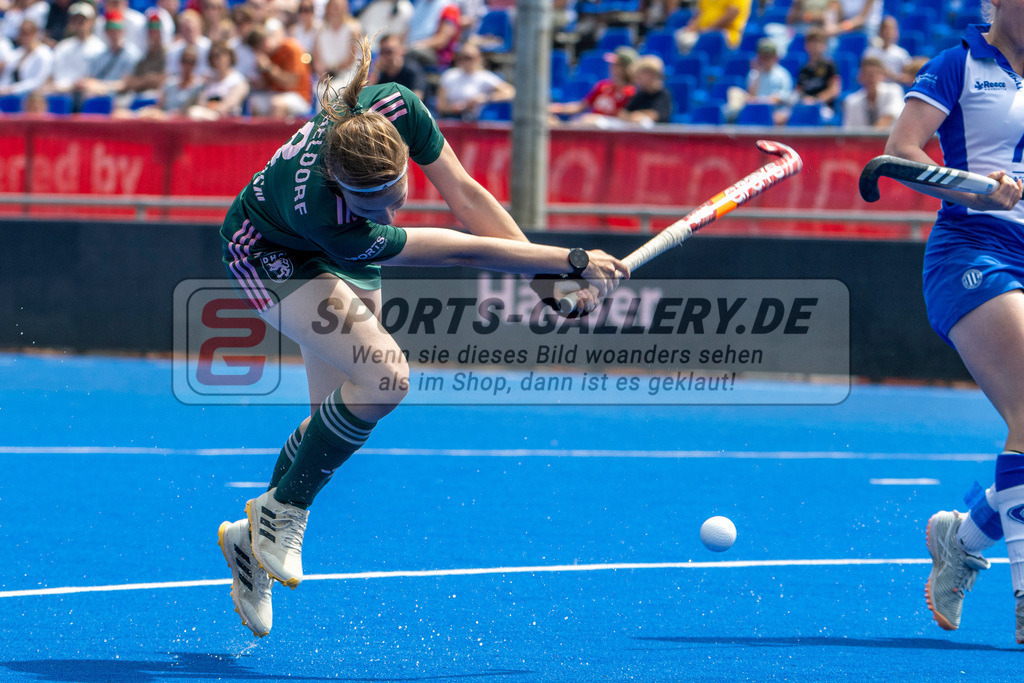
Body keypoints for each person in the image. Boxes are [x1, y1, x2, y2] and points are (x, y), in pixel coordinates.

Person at [215, 35, 627, 638]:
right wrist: (568, 260)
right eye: (372, 204)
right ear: (339, 185)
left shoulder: (396, 109)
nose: (389, 212)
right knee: (386, 376)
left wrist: (544, 280)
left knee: (330, 419)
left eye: (396, 197)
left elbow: (465, 195)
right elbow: (457, 250)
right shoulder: (332, 217)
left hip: (334, 243)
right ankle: (283, 510)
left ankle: (252, 540)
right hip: (272, 254)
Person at [883, 1, 1024, 645]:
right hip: (975, 251)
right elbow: (901, 154)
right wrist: (974, 186)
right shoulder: (958, 65)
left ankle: (961, 540)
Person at [549, 45, 636, 126]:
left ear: (626, 67)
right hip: (594, 127)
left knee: (590, 121)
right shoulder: (603, 86)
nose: (612, 67)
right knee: (552, 121)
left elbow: (626, 117)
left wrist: (599, 119)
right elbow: (580, 106)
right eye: (613, 64)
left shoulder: (631, 91)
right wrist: (557, 108)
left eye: (617, 65)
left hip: (613, 129)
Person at [435, 39, 514, 120]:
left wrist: (485, 98)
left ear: (478, 58)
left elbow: (511, 92)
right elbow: (441, 105)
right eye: (462, 57)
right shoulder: (449, 75)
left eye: (469, 58)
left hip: (477, 121)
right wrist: (459, 108)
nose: (465, 61)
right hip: (452, 119)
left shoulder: (485, 76)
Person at [777, 26, 840, 125]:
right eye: (811, 43)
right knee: (779, 117)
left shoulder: (829, 65)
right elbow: (799, 90)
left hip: (823, 107)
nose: (814, 46)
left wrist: (816, 100)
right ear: (806, 46)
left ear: (824, 46)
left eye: (818, 43)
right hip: (803, 105)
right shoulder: (804, 69)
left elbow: (834, 90)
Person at [246, 24, 313, 117]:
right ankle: (261, 132)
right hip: (276, 94)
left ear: (265, 42)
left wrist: (269, 67)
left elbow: (291, 83)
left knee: (277, 104)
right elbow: (266, 85)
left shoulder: (291, 47)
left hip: (299, 96)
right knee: (254, 103)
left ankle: (275, 132)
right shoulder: (266, 56)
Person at [724, 37, 793, 123]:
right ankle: (731, 121)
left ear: (775, 57)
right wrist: (758, 74)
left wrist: (761, 101)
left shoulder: (782, 74)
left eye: (769, 56)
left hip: (774, 109)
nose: (766, 60)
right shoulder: (754, 73)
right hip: (755, 107)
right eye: (763, 57)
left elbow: (781, 98)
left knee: (780, 116)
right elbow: (751, 95)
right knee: (733, 91)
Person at [46, 2, 106, 96]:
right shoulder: (63, 46)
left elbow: (97, 78)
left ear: (91, 21)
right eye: (75, 20)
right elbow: (52, 75)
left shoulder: (100, 48)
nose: (79, 24)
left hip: (84, 94)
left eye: (82, 20)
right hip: (59, 92)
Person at [185, 40, 248, 119]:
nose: (217, 60)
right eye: (214, 56)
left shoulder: (238, 81)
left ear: (229, 56)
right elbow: (200, 103)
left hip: (228, 120)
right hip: (207, 118)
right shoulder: (209, 81)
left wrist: (211, 106)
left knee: (194, 112)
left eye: (220, 55)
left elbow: (227, 106)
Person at [841, 55, 903, 128]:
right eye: (867, 74)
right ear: (860, 76)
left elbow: (888, 118)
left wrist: (870, 137)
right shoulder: (851, 101)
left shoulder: (894, 91)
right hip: (861, 139)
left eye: (875, 73)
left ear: (882, 75)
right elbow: (848, 130)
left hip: (889, 138)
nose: (871, 77)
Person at [0, 19, 54, 98]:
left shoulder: (44, 54)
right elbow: (7, 76)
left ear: (36, 33)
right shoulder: (17, 53)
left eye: (27, 33)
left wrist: (12, 89)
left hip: (34, 98)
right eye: (21, 33)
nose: (23, 37)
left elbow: (38, 81)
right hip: (11, 96)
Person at [674, 0, 752, 53]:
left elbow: (731, 14)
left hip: (724, 34)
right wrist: (692, 26)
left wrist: (706, 31)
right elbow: (699, 13)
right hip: (701, 32)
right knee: (676, 36)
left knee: (687, 42)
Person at [368, 32, 426, 100]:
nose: (387, 56)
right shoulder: (381, 73)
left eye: (390, 51)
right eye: (383, 52)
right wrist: (375, 72)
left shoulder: (412, 70)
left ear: (401, 50)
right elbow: (368, 97)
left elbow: (417, 98)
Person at [862, 14, 912, 85]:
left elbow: (908, 79)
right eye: (885, 29)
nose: (888, 33)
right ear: (879, 32)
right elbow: (861, 76)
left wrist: (891, 75)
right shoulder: (870, 52)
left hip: (894, 90)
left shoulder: (902, 54)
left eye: (891, 29)